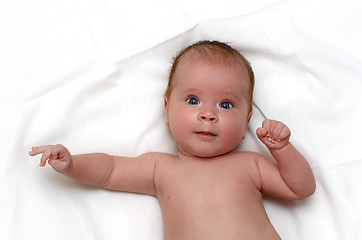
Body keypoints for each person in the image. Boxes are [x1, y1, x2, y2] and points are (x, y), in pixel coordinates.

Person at [29, 40, 316, 240]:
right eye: (193, 100)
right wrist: (71, 163)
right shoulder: (161, 169)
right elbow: (110, 170)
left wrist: (282, 149)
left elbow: (300, 188)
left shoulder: (251, 164)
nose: (208, 114)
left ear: (246, 123)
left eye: (226, 105)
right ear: (167, 110)